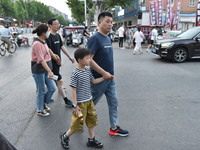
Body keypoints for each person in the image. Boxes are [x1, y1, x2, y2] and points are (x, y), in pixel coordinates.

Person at [87, 12, 129, 136]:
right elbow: (88, 59)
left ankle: (114, 127)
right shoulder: (95, 38)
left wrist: (108, 74)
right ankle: (76, 121)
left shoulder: (107, 37)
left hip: (110, 79)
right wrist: (103, 73)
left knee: (114, 102)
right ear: (100, 23)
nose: (110, 24)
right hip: (98, 79)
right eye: (107, 21)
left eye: (111, 22)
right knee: (89, 105)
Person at [60, 48, 104, 149]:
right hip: (80, 105)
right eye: (87, 58)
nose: (90, 60)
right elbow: (73, 90)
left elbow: (93, 81)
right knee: (77, 124)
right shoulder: (76, 73)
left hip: (89, 102)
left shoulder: (87, 70)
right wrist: (75, 106)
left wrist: (104, 78)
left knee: (92, 121)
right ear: (80, 60)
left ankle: (91, 140)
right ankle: (65, 136)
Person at [47, 18, 75, 107]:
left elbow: (62, 47)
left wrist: (69, 56)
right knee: (58, 80)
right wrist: (57, 59)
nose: (57, 26)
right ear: (50, 25)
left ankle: (46, 94)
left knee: (52, 78)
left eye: (58, 24)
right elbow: (49, 51)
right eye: (55, 24)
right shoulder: (48, 37)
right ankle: (66, 100)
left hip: (57, 63)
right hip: (51, 63)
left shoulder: (58, 36)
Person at [31, 24, 57, 116]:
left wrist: (53, 55)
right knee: (41, 90)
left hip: (46, 69)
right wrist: (50, 71)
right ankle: (39, 109)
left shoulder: (43, 41)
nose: (49, 32)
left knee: (52, 88)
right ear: (43, 33)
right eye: (48, 30)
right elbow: (41, 59)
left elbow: (47, 50)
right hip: (39, 71)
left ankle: (44, 103)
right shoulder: (37, 43)